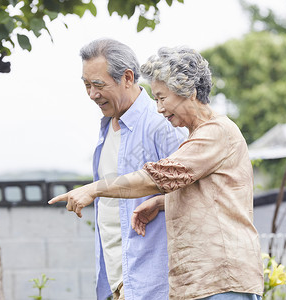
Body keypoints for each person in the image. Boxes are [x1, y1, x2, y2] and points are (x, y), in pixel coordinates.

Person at [50, 46, 264, 300]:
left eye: (162, 98)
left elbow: (158, 176)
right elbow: (210, 195)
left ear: (189, 91)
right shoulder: (200, 135)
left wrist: (94, 189)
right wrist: (164, 202)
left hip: (220, 281)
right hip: (203, 284)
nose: (159, 109)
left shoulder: (216, 132)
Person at [77, 39, 186, 300]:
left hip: (153, 284)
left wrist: (159, 202)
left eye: (99, 85)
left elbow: (195, 192)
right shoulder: (106, 127)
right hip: (118, 283)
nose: (92, 94)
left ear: (127, 77)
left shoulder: (161, 124)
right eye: (86, 85)